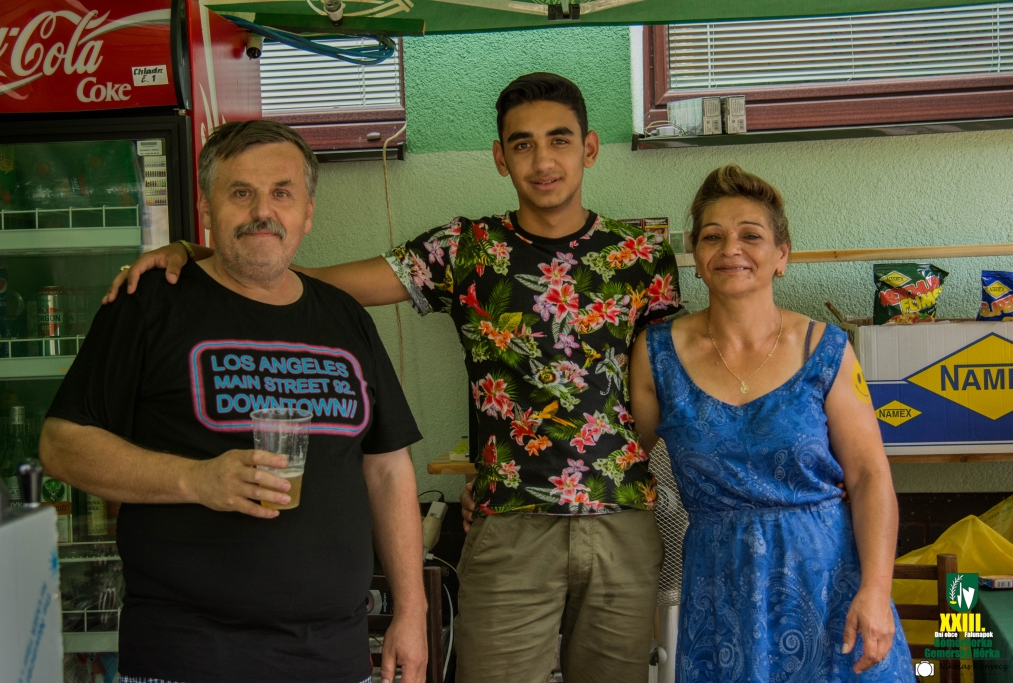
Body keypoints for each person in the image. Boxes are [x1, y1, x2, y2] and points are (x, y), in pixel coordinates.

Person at [104, 73, 683, 683]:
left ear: (588, 148)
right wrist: (209, 257)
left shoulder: (642, 255)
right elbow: (319, 283)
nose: (542, 161)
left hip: (623, 518)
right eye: (522, 144)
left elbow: (662, 382)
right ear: (499, 157)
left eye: (559, 140)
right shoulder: (466, 248)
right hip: (510, 522)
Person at [40, 120, 427, 683]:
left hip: (335, 659)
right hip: (186, 659)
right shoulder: (150, 303)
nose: (262, 211)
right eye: (240, 192)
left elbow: (388, 468)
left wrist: (412, 612)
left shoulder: (344, 316)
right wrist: (195, 480)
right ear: (206, 206)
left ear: (307, 212)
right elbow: (61, 445)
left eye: (282, 193)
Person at [628, 164, 915, 681]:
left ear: (782, 255)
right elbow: (620, 464)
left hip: (830, 585)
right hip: (721, 593)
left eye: (751, 236)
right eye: (712, 236)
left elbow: (870, 477)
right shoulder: (656, 355)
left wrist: (876, 590)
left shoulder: (826, 349)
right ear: (695, 255)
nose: (730, 249)